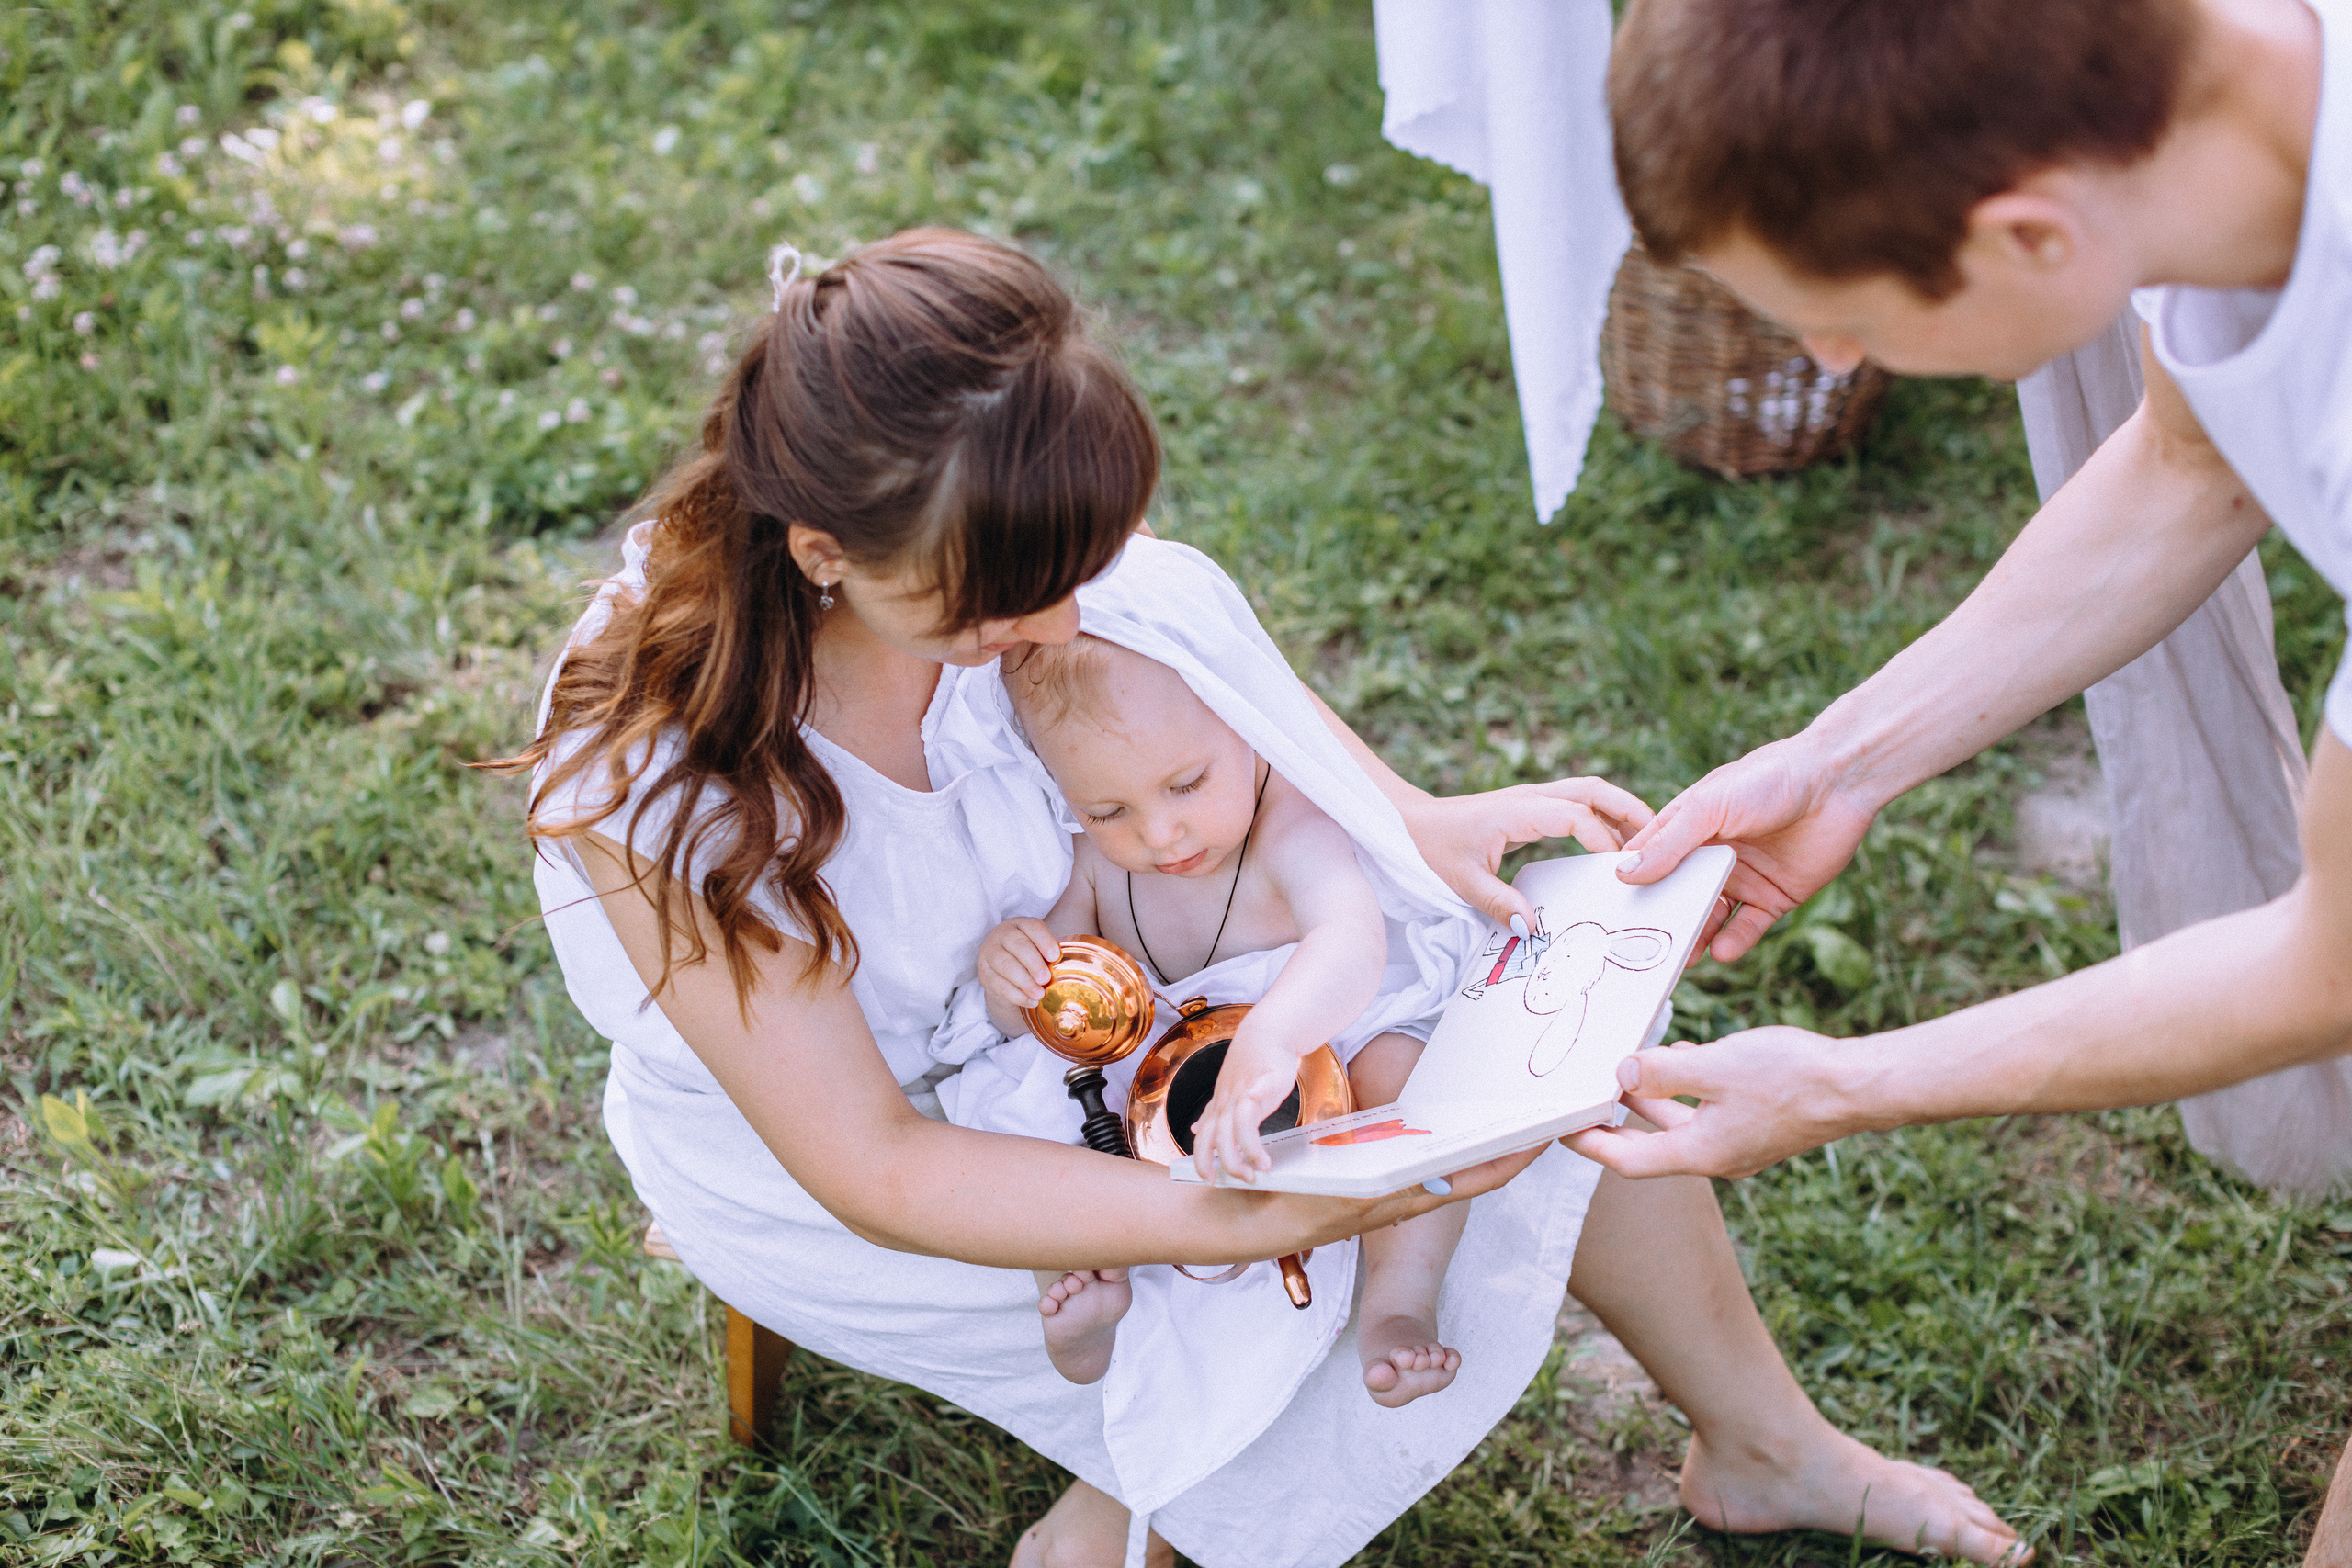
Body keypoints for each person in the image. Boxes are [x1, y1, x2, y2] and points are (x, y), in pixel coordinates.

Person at [508, 226, 2028, 1565]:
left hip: (1092, 1012)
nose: (1053, 623)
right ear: (824, 554)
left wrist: (1408, 817)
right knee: (1278, 1237)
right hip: (869, 1154)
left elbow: (1193, 646)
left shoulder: (1004, 544)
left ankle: (1768, 1446)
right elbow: (876, 1166)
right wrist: (1240, 1216)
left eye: (1071, 566)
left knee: (1498, 1038)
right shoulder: (670, 785)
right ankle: (1135, 1502)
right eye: (992, 607)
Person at [1566, 0, 2352, 1557]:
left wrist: (1846, 1083)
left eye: (1842, 318)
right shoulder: (2210, 109)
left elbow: (2321, 964)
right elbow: (2194, 461)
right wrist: (1840, 758)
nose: (1830, 361)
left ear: (2029, 233)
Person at [977, 630, 1501, 1407]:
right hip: (1165, 1087)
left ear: (1246, 725)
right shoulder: (1097, 861)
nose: (1159, 835)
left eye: (1186, 784)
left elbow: (1349, 939)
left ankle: (1398, 1300)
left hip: (1319, 1045)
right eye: (1107, 807)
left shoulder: (1289, 825)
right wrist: (1010, 976)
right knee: (1033, 1124)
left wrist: (1275, 1039)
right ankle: (1084, 1307)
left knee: (1406, 1075)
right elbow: (1051, 1015)